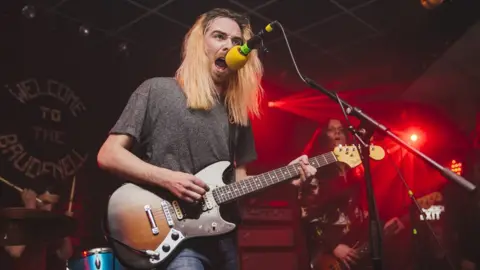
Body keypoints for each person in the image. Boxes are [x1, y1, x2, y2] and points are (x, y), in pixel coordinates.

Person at [97, 8, 316, 270]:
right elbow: (109, 154)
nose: (229, 46)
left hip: (224, 237)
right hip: (175, 236)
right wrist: (167, 178)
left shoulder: (238, 113)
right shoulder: (156, 89)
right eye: (219, 36)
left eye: (237, 42)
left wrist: (284, 177)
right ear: (199, 44)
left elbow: (240, 181)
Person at [293, 118, 404, 270]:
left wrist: (383, 225)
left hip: (357, 246)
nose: (337, 132)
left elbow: (361, 211)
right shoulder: (316, 173)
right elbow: (307, 216)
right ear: (324, 137)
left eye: (341, 129)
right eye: (332, 130)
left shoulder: (357, 173)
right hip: (327, 254)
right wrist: (333, 246)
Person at [2, 177, 73, 270]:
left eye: (51, 203)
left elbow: (64, 254)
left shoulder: (44, 224)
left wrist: (65, 229)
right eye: (46, 202)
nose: (49, 208)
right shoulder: (12, 216)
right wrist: (30, 208)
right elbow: (15, 251)